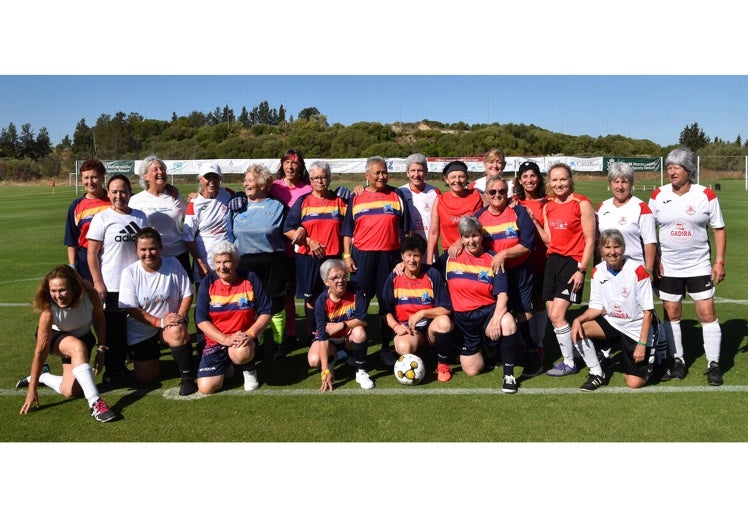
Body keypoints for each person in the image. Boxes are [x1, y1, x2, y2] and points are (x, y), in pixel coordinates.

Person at [648, 147, 727, 385]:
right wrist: (654, 261)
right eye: (669, 167)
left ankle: (713, 364)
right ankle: (678, 361)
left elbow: (719, 229)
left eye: (676, 167)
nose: (671, 171)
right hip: (668, 267)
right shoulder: (658, 195)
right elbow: (649, 230)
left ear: (688, 170)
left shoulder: (706, 195)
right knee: (671, 313)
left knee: (707, 313)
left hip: (699, 266)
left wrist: (719, 261)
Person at [18, 265, 117, 422]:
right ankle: (96, 403)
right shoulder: (48, 310)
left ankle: (44, 376)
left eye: (63, 290)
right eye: (53, 291)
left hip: (83, 336)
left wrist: (101, 350)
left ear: (75, 288)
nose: (58, 296)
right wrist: (32, 390)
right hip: (56, 337)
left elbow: (99, 320)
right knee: (77, 347)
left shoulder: (90, 294)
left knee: (71, 391)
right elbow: (40, 351)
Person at [537, 163, 604, 380]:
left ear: (570, 180)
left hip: (572, 263)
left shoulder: (582, 203)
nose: (559, 184)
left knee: (557, 315)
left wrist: (582, 269)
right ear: (549, 182)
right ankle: (575, 353)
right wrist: (531, 219)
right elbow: (548, 239)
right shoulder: (548, 206)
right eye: (554, 180)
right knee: (553, 315)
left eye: (563, 179)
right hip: (553, 262)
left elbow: (590, 239)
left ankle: (571, 363)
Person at [342, 156, 410, 367]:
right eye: (377, 173)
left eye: (384, 172)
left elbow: (406, 231)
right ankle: (354, 348)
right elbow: (347, 230)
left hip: (390, 257)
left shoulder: (396, 195)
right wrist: (347, 255)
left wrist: (404, 259)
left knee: (387, 302)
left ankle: (386, 346)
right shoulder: (356, 197)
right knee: (358, 301)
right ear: (367, 175)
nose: (382, 176)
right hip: (363, 256)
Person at [571, 229, 659, 390]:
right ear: (601, 250)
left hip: (636, 329)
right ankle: (598, 373)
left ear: (623, 248)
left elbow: (648, 312)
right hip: (614, 322)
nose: (612, 252)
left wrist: (641, 343)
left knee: (634, 383)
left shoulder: (638, 271)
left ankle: (653, 355)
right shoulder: (598, 271)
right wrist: (578, 319)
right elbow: (596, 307)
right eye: (607, 247)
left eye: (616, 247)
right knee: (578, 329)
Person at [473, 176, 544, 377]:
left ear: (508, 193)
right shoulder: (479, 216)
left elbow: (527, 245)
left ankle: (533, 355)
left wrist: (503, 254)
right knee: (495, 311)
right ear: (486, 194)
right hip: (492, 274)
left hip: (519, 270)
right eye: (493, 192)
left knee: (522, 311)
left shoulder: (518, 212)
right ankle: (496, 350)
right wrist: (457, 244)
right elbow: (469, 238)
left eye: (501, 192)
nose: (497, 195)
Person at [444, 216, 522, 393]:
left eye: (475, 236)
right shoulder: (450, 258)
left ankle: (508, 374)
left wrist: (495, 319)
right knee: (472, 370)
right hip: (464, 320)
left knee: (507, 322)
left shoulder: (493, 259)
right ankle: (489, 347)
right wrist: (402, 265)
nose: (471, 241)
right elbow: (426, 271)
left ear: (481, 235)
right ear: (461, 239)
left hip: (487, 312)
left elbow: (502, 295)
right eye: (466, 237)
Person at [118, 228, 197, 395]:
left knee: (176, 331)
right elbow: (131, 308)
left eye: (152, 248)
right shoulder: (130, 273)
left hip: (170, 324)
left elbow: (187, 293)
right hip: (142, 330)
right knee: (147, 378)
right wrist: (159, 322)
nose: (148, 253)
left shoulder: (173, 264)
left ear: (160, 248)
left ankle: (188, 377)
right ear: (136, 250)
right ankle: (180, 357)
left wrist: (180, 317)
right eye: (143, 249)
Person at [87, 174, 149, 386]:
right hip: (111, 283)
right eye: (114, 192)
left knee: (131, 328)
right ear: (108, 193)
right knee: (112, 330)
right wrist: (98, 282)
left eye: (122, 191)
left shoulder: (140, 217)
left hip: (135, 283)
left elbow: (146, 248)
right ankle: (112, 372)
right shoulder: (102, 218)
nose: (118, 196)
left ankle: (125, 367)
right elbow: (92, 254)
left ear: (130, 192)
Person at [595, 161, 658, 367]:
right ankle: (608, 349)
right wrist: (597, 267)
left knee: (641, 315)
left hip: (634, 271)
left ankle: (657, 350)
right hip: (610, 271)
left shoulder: (641, 207)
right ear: (610, 183)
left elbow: (649, 241)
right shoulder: (603, 207)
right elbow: (599, 241)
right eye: (616, 181)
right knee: (610, 311)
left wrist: (648, 269)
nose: (620, 186)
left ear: (631, 183)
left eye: (624, 181)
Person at [194, 241, 272, 394]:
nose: (222, 267)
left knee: (242, 353)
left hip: (243, 339)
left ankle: (249, 369)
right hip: (217, 341)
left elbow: (266, 311)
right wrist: (225, 340)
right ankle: (227, 363)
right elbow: (201, 320)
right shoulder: (207, 283)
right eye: (218, 262)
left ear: (236, 262)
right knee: (206, 388)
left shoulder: (250, 278)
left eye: (227, 261)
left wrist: (249, 334)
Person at [228, 163, 289, 360]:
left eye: (250, 179)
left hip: (273, 260)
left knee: (275, 303)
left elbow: (289, 231)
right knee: (251, 305)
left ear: (263, 183)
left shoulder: (278, 206)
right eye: (244, 180)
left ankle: (280, 344)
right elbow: (229, 234)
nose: (245, 183)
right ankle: (258, 342)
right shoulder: (236, 205)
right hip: (245, 262)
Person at [283, 160, 348, 340]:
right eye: (316, 178)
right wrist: (309, 241)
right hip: (308, 258)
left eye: (324, 177)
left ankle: (336, 336)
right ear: (310, 181)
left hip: (333, 258)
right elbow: (287, 229)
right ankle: (315, 335)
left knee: (334, 295)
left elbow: (351, 227)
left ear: (329, 178)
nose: (320, 181)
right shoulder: (303, 201)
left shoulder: (340, 201)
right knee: (311, 298)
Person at [381, 234, 455, 382]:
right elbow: (385, 311)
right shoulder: (394, 277)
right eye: (408, 255)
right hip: (408, 329)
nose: (412, 260)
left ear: (422, 256)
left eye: (416, 255)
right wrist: (396, 327)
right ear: (402, 256)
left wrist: (422, 313)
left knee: (445, 322)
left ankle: (442, 364)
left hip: (429, 328)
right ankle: (417, 357)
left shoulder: (432, 274)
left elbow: (446, 308)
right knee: (404, 346)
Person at [270, 149, 313, 353]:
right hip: (279, 249)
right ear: (281, 165)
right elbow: (252, 192)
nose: (290, 166)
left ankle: (314, 333)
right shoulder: (273, 187)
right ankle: (289, 335)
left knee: (309, 293)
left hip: (305, 248)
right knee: (285, 295)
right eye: (286, 162)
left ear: (301, 166)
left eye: (294, 163)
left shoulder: (308, 188)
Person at [309, 258, 374, 391]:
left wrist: (342, 325)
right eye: (335, 278)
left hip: (347, 335)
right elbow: (322, 335)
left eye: (344, 276)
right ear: (326, 282)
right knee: (314, 360)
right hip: (330, 339)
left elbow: (363, 319)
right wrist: (325, 369)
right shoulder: (321, 301)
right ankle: (334, 358)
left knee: (360, 332)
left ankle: (361, 371)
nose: (341, 280)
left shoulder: (356, 290)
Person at [129, 155, 191, 277]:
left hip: (179, 254)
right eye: (155, 169)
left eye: (162, 168)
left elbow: (189, 219)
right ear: (145, 176)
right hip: (152, 256)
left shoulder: (175, 196)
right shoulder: (136, 200)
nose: (160, 172)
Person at [513, 160, 549, 360]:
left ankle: (539, 342)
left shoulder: (546, 202)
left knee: (539, 304)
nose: (529, 180)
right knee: (520, 307)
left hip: (541, 262)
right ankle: (524, 342)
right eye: (525, 176)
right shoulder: (512, 201)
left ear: (539, 178)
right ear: (519, 179)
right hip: (519, 263)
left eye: (533, 175)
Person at [183, 161, 235, 284]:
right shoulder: (194, 203)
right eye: (208, 177)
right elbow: (188, 237)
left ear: (220, 179)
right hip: (206, 263)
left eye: (215, 177)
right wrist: (199, 262)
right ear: (201, 180)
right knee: (205, 300)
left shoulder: (228, 194)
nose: (211, 181)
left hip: (228, 260)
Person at [426, 160, 484, 266]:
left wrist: (460, 242)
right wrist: (429, 259)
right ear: (446, 180)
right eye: (453, 177)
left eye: (461, 176)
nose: (457, 180)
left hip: (474, 253)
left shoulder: (477, 196)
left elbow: (485, 224)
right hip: (450, 255)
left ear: (467, 178)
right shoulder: (440, 200)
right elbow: (434, 232)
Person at [64, 159, 111, 282]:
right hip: (85, 261)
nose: (89, 182)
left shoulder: (113, 200)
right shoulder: (76, 206)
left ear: (102, 178)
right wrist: (72, 266)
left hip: (113, 257)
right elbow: (72, 241)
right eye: (86, 178)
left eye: (94, 177)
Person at [398, 153, 441, 243]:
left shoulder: (435, 192)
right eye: (413, 170)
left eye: (420, 170)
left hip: (429, 246)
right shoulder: (400, 192)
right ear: (407, 173)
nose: (416, 174)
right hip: (407, 248)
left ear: (426, 172)